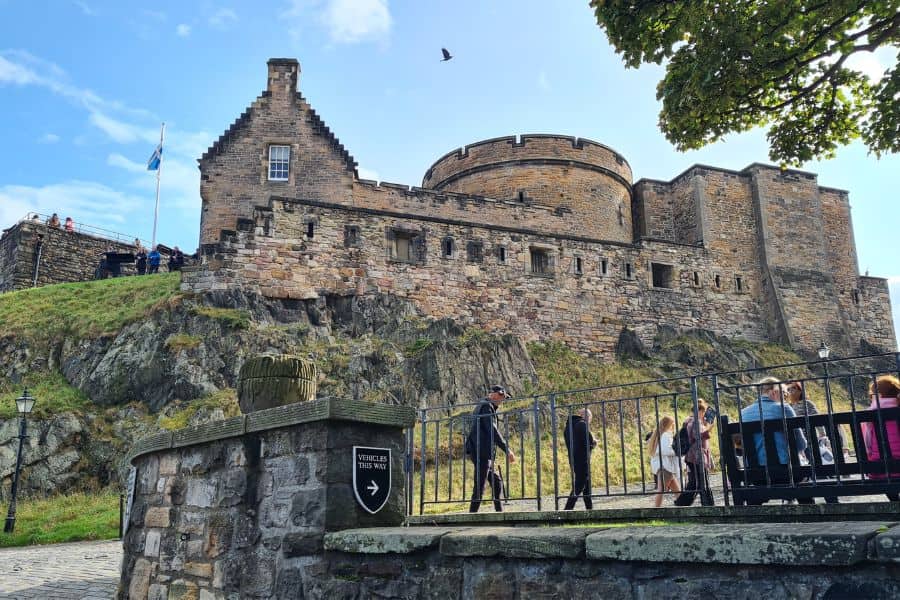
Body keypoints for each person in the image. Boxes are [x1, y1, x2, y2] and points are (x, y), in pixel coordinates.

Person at [740, 377, 811, 504]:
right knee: (803, 478)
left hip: (756, 475)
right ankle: (810, 510)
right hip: (787, 473)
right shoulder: (784, 408)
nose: (785, 397)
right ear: (773, 392)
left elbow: (740, 446)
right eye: (783, 393)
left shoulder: (743, 413)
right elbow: (801, 444)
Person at [785, 380, 842, 503]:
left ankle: (830, 497)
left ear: (800, 391)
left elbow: (817, 418)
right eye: (788, 389)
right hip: (794, 442)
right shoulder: (787, 406)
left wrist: (822, 435)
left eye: (793, 388)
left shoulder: (807, 403)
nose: (790, 391)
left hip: (808, 440)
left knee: (817, 467)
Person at [465, 385, 516, 513]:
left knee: (496, 481)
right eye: (500, 396)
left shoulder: (484, 406)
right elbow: (492, 430)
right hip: (481, 452)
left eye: (503, 397)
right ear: (491, 394)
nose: (502, 399)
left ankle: (499, 511)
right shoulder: (486, 407)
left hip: (481, 450)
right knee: (480, 486)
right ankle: (472, 516)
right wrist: (507, 450)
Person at [861, 375, 900, 502]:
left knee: (885, 477)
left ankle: (895, 502)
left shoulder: (869, 413)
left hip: (880, 469)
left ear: (877, 395)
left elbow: (867, 444)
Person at [674, 399, 714, 506]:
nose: (705, 414)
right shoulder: (695, 421)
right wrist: (709, 429)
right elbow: (698, 436)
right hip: (696, 456)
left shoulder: (690, 420)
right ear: (700, 411)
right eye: (704, 412)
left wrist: (705, 425)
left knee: (695, 482)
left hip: (693, 455)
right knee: (701, 481)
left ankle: (682, 502)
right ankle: (707, 504)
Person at [563, 408, 596, 510]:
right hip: (583, 459)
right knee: (580, 485)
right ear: (587, 417)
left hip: (573, 459)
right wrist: (594, 443)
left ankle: (590, 510)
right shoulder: (582, 424)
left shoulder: (568, 427)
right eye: (590, 419)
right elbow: (590, 442)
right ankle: (567, 510)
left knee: (586, 485)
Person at [648, 416, 682, 507]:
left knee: (677, 491)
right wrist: (677, 451)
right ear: (668, 425)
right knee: (661, 490)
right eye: (672, 424)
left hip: (664, 466)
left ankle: (682, 508)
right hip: (665, 467)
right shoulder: (665, 435)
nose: (674, 426)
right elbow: (666, 450)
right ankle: (656, 511)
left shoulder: (660, 435)